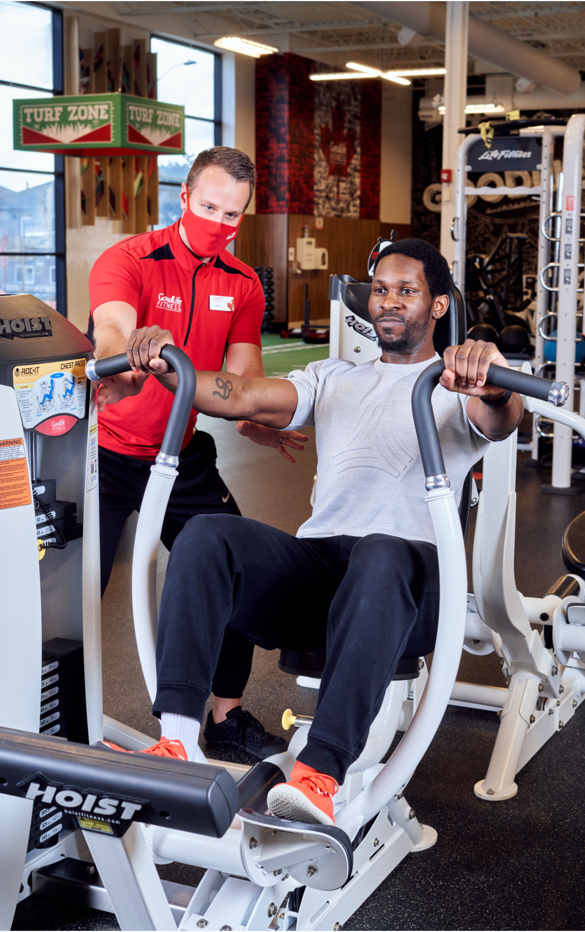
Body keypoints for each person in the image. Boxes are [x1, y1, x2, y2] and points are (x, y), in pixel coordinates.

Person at [116, 238, 524, 825]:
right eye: (381, 289)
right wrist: (168, 363)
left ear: (437, 305)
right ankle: (177, 740)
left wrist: (494, 382)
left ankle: (320, 774)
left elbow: (502, 418)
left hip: (412, 581)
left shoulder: (455, 384)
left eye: (406, 291)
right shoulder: (333, 377)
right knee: (207, 532)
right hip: (323, 573)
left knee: (380, 554)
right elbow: (242, 397)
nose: (388, 302)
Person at [89, 146, 308, 760]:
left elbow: (244, 381)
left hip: (181, 458)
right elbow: (110, 328)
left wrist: (259, 419)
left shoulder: (241, 284)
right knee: (74, 594)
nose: (219, 222)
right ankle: (59, 718)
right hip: (105, 456)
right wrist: (128, 351)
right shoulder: (127, 259)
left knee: (233, 566)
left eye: (232, 215)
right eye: (209, 207)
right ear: (183, 199)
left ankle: (225, 715)